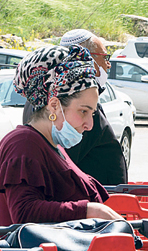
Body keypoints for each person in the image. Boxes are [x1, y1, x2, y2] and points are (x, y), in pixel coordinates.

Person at [0, 45, 123, 226]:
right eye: (83, 111)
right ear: (54, 105)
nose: (89, 124)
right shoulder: (23, 144)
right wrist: (89, 210)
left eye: (92, 113)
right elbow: (24, 213)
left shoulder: (52, 145)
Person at [22, 29, 127, 185]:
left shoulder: (68, 100)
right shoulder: (64, 105)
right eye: (105, 57)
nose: (108, 64)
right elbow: (60, 169)